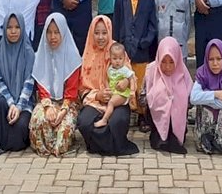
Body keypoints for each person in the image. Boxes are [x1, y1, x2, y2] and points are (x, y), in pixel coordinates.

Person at [75, 15, 140, 156]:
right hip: (94, 101)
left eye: (104, 33)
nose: (100, 37)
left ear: (109, 32)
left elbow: (131, 74)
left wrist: (126, 82)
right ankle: (105, 146)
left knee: (118, 121)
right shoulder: (87, 54)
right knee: (84, 122)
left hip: (117, 99)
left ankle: (103, 146)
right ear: (92, 33)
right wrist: (97, 95)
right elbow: (81, 89)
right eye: (97, 33)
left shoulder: (117, 51)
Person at [29, 13, 83, 156]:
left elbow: (71, 92)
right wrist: (47, 107)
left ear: (64, 32)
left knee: (63, 130)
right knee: (38, 121)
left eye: (57, 32)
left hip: (68, 103)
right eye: (49, 32)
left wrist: (62, 111)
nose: (53, 37)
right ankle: (45, 148)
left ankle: (60, 146)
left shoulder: (73, 56)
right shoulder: (40, 54)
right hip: (47, 101)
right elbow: (41, 84)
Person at [112, 0, 158, 120]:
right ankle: (126, 112)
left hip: (141, 49)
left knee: (140, 83)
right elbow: (117, 24)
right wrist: (117, 46)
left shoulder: (149, 0)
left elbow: (153, 25)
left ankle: (142, 115)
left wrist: (145, 41)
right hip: (124, 49)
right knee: (124, 80)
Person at [0, 13, 36, 155]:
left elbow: (29, 84)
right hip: (6, 101)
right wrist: (11, 104)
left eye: (17, 27)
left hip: (24, 105)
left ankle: (3, 137)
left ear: (22, 28)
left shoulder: (29, 53)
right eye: (9, 27)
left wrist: (19, 107)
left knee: (18, 133)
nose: (13, 31)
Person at [140, 37, 192, 154]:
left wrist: (176, 102)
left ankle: (175, 135)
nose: (167, 66)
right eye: (163, 61)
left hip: (177, 119)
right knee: (158, 141)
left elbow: (191, 97)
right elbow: (141, 97)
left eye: (171, 62)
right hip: (156, 116)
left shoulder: (182, 71)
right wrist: (158, 98)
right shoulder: (152, 70)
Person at [190, 39, 222, 154]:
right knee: (202, 105)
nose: (215, 63)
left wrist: (204, 96)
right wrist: (216, 94)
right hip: (207, 122)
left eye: (219, 59)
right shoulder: (202, 72)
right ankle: (206, 136)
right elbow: (193, 98)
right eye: (211, 59)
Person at [94, 43, 135, 128]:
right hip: (114, 92)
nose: (117, 61)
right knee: (107, 101)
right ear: (110, 58)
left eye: (120, 58)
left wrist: (132, 91)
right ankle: (107, 114)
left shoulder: (124, 69)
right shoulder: (110, 69)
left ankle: (104, 120)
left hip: (122, 94)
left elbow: (132, 79)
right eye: (114, 58)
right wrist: (108, 88)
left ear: (124, 58)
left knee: (111, 103)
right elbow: (107, 79)